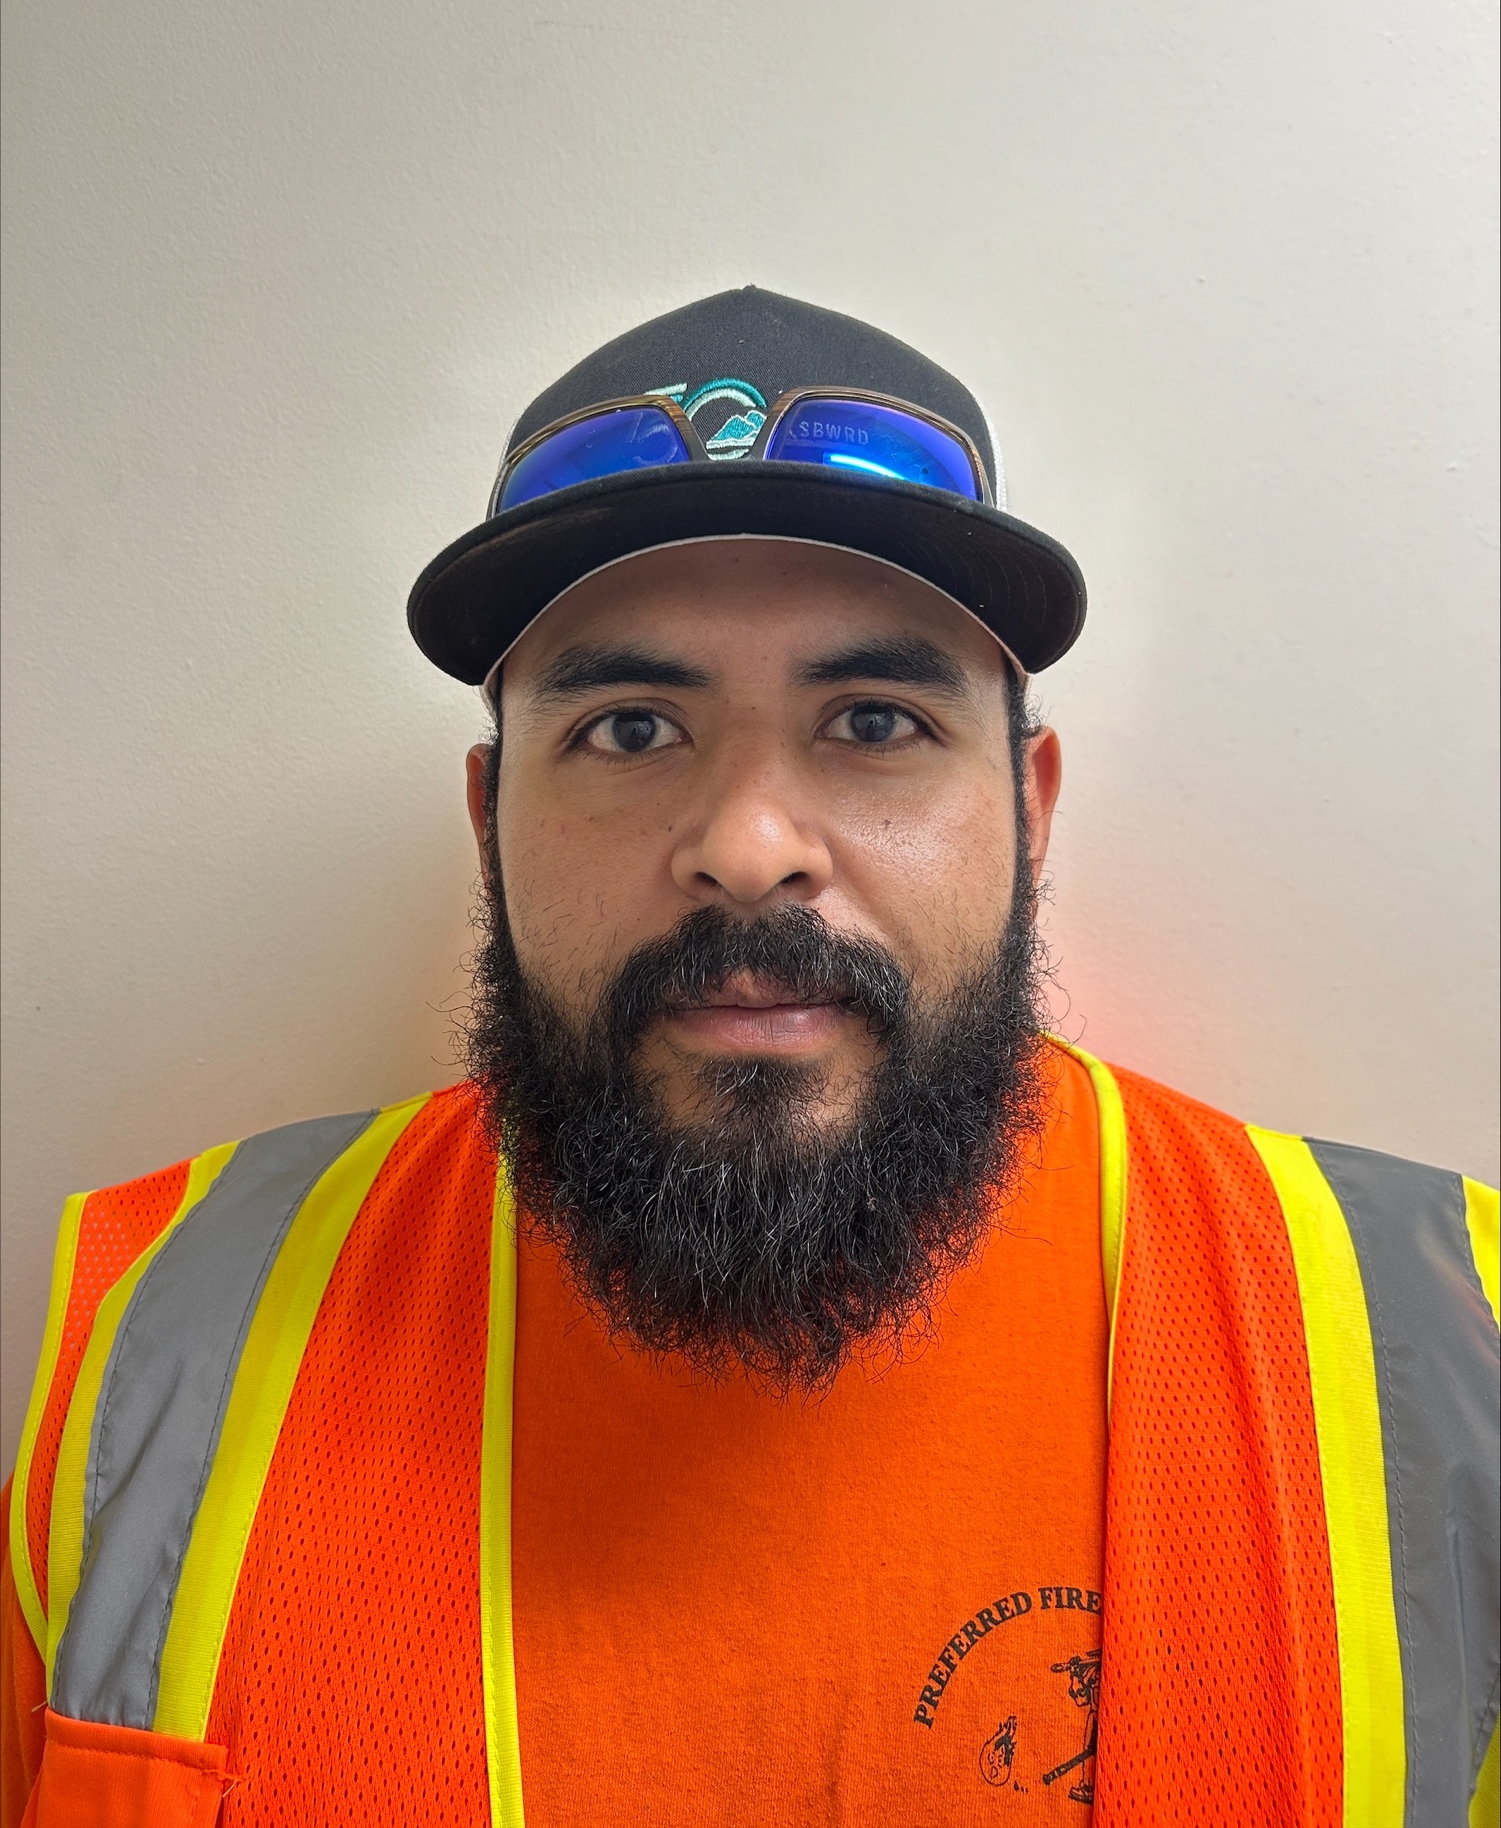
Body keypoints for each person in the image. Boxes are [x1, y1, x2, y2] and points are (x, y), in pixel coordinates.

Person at [2, 287, 1496, 1828]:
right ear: (489, 821)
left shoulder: (1447, 1348)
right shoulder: (163, 1331)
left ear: (1029, 808)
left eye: (875, 720)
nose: (747, 845)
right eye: (630, 729)